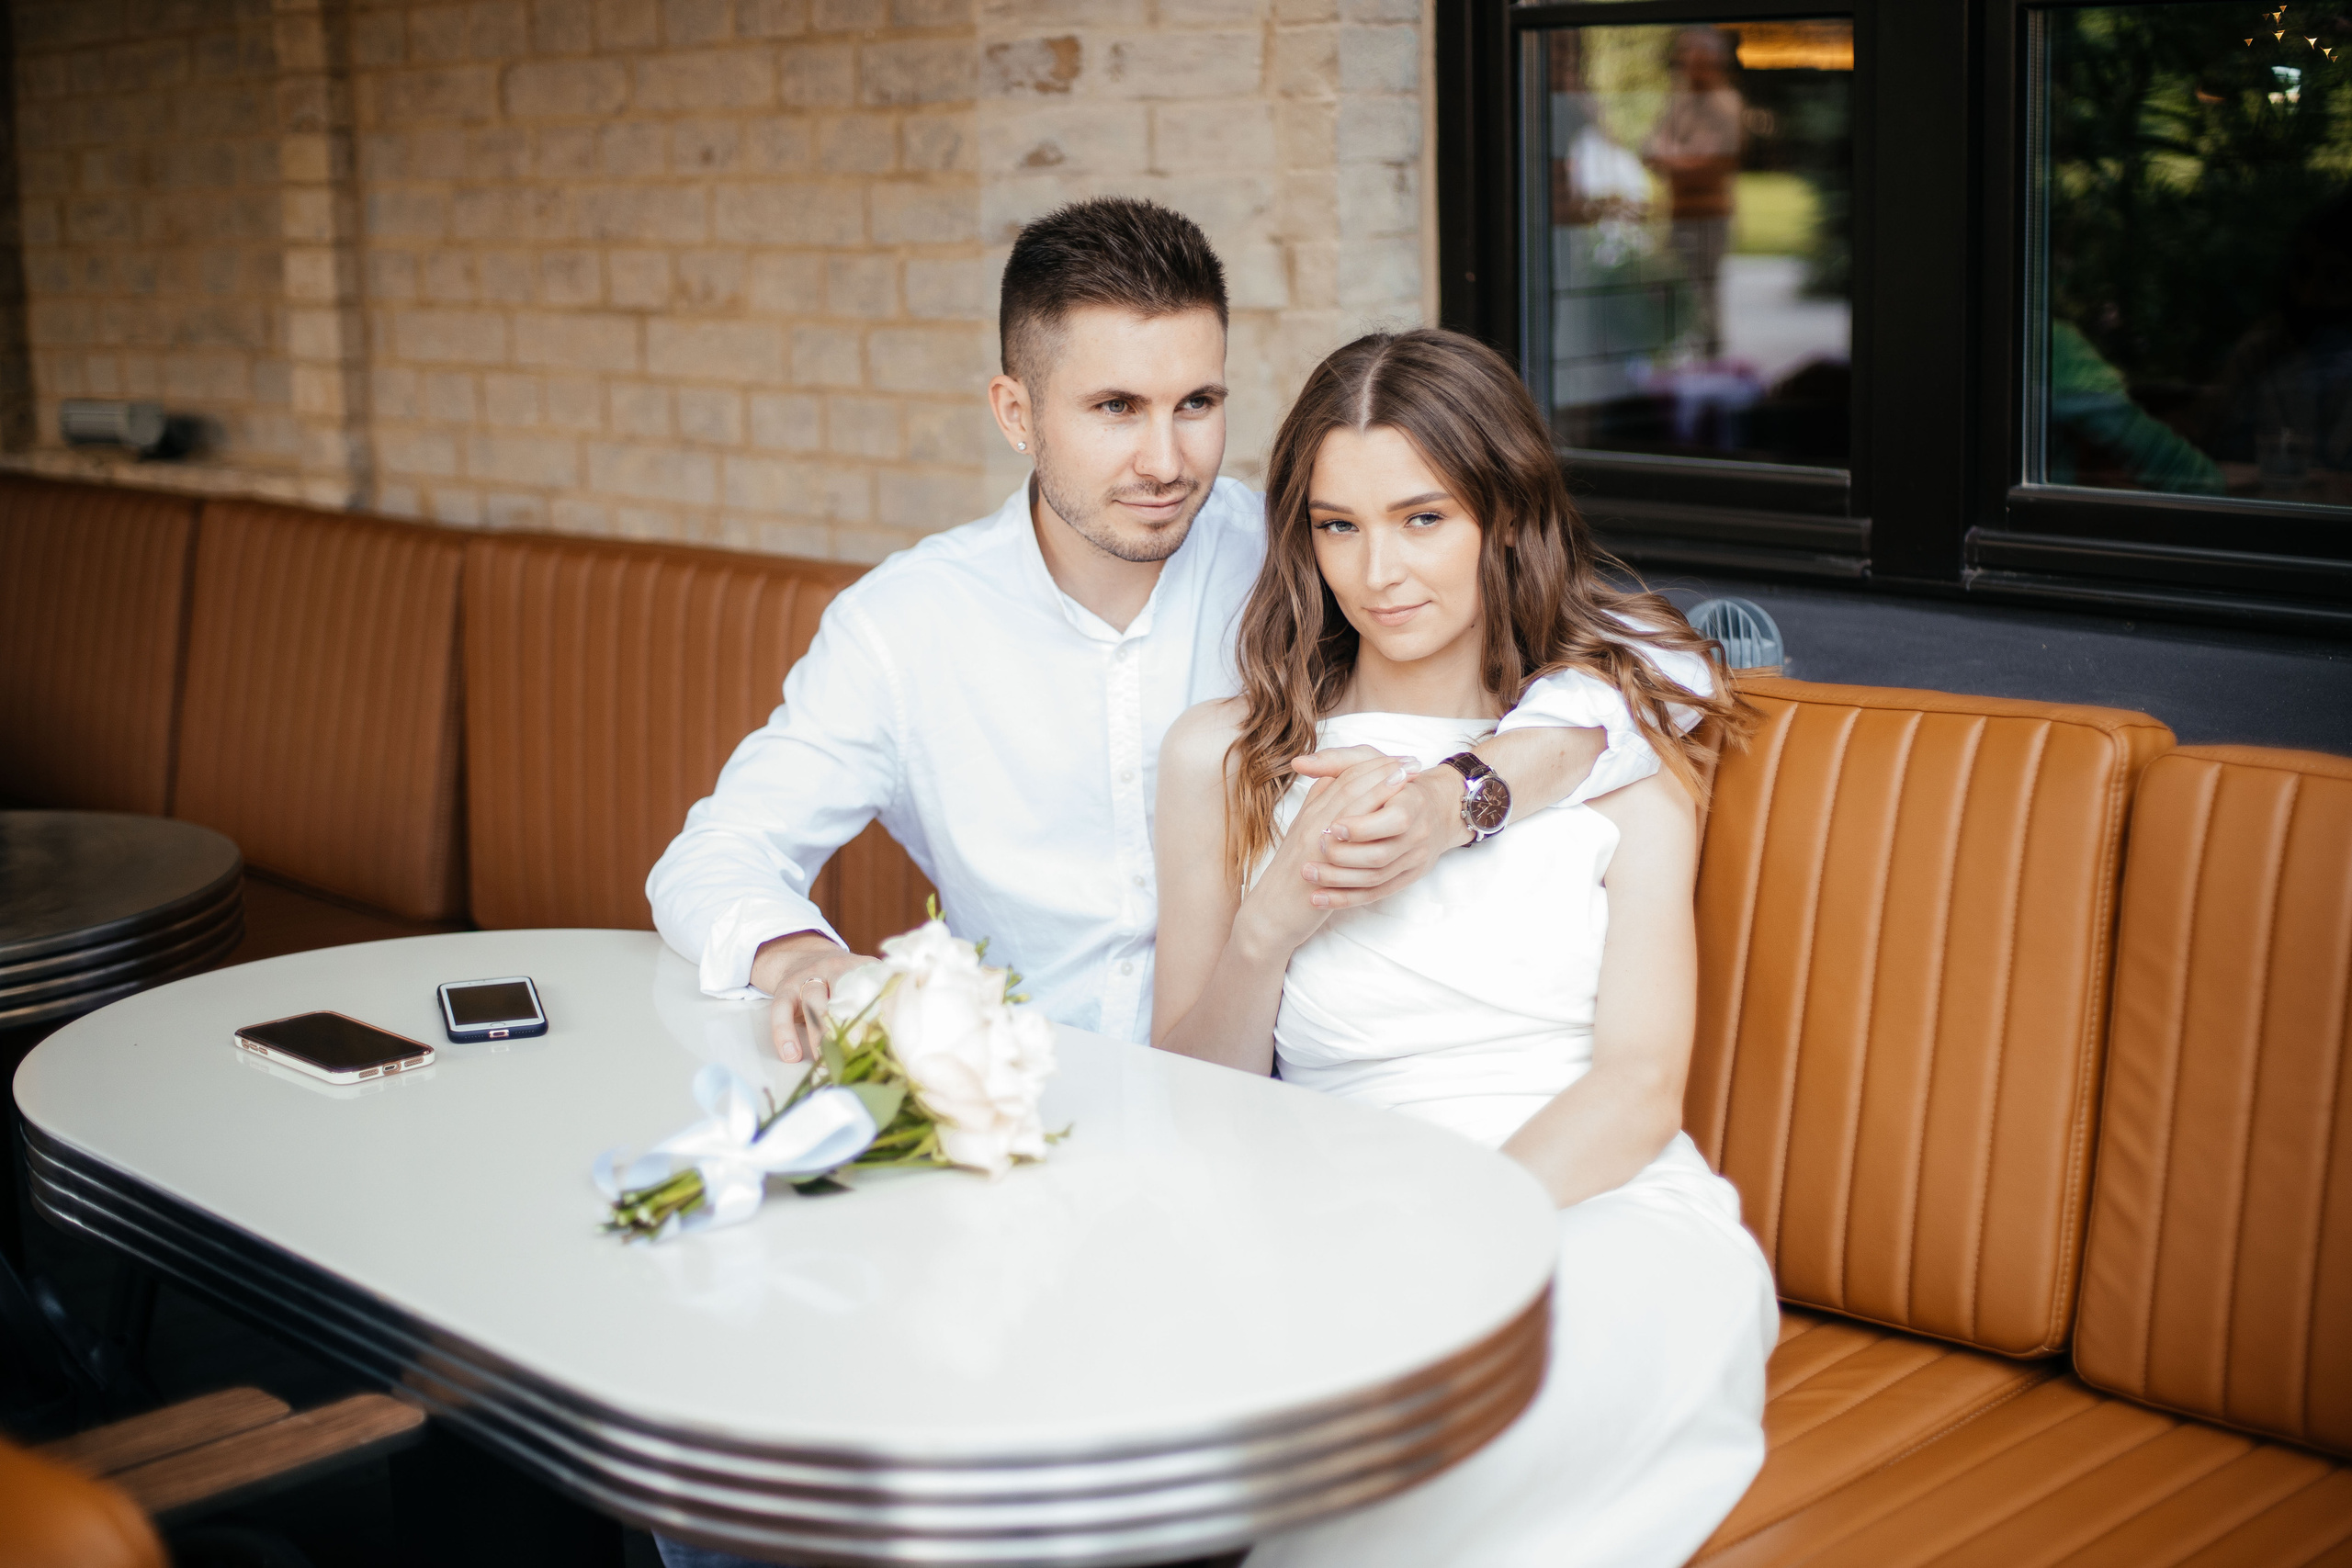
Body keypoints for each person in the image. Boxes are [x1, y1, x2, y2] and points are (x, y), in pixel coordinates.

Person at [648, 197, 1654, 1073]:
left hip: (1273, 1104)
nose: (1166, 460)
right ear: (1015, 412)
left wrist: (1470, 789)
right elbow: (715, 856)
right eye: (1116, 408)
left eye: (1197, 404)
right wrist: (799, 956)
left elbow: (1642, 658)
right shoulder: (903, 627)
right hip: (1026, 1097)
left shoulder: (1303, 552)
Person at [1153, 328, 1778, 1568]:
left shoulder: (1619, 749)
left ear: (1502, 516)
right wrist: (1270, 925)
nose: (1377, 569)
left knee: (1430, 1445)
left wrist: (1452, 1239)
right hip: (1332, 1208)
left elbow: (1639, 1086)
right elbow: (1189, 1098)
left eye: (1422, 518)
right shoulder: (1220, 755)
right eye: (1337, 525)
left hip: (1597, 1211)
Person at [1643, 27, 1745, 359]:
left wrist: (1672, 156)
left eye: (1692, 55)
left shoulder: (1724, 103)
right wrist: (1677, 156)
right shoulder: (1682, 101)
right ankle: (1687, 363)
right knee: (1675, 291)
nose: (1685, 63)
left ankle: (1712, 365)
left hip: (1708, 215)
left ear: (1711, 59)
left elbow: (1708, 164)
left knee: (1703, 294)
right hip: (1679, 212)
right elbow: (1649, 149)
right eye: (1683, 55)